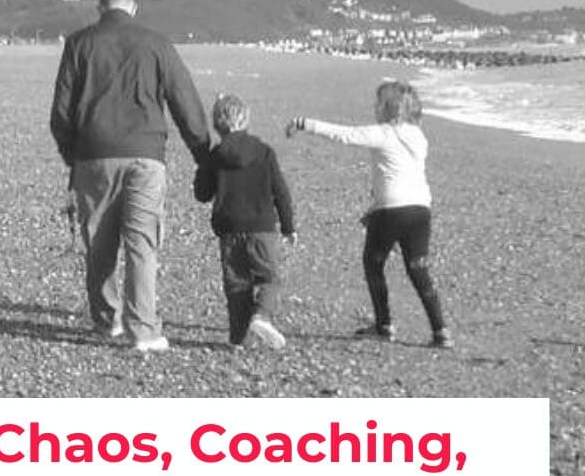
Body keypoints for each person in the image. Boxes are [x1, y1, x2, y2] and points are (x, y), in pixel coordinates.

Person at [50, 0, 209, 352]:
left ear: (99, 9)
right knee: (141, 242)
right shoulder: (156, 42)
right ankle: (143, 329)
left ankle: (107, 321)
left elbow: (60, 113)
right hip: (145, 155)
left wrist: (73, 155)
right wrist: (204, 154)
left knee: (100, 242)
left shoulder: (78, 44)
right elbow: (184, 98)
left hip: (93, 154)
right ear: (133, 8)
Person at [285, 80, 453, 348]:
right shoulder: (419, 137)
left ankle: (384, 324)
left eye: (378, 103)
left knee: (373, 264)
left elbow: (345, 135)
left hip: (390, 211)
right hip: (421, 209)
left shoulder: (384, 133)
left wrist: (304, 123)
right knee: (418, 269)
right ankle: (440, 330)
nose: (375, 108)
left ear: (390, 108)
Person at [194, 93, 296, 350]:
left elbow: (202, 194)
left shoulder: (216, 155)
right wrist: (288, 225)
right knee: (269, 276)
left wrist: (204, 164)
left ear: (217, 125)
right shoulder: (263, 152)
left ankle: (238, 338)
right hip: (262, 227)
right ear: (247, 119)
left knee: (237, 284)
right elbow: (280, 191)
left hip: (229, 228)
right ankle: (261, 315)